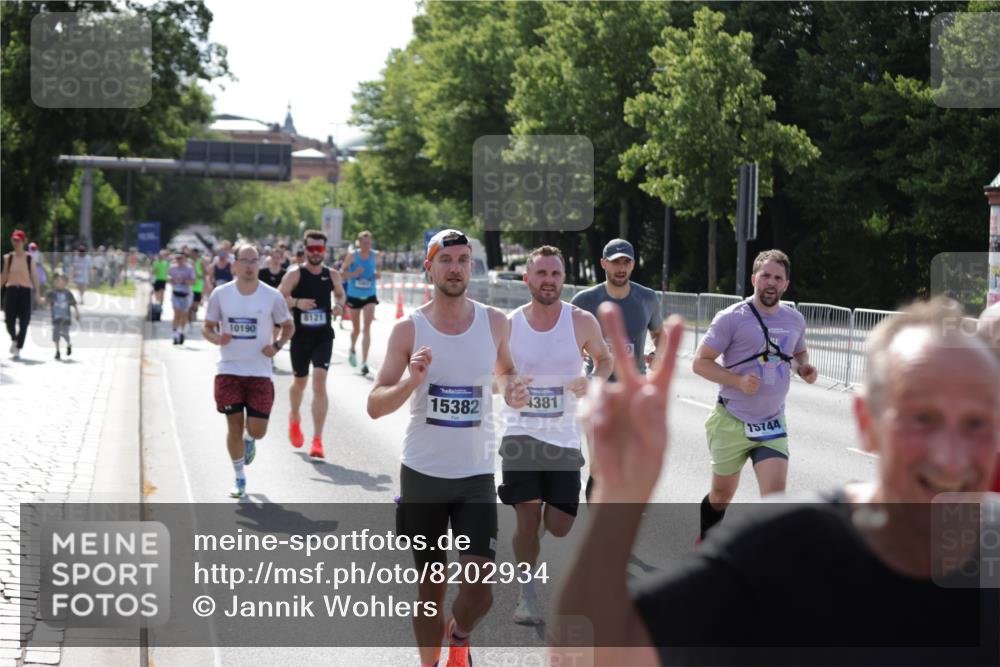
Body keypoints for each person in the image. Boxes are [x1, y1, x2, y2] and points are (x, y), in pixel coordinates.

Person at [552, 298, 1000, 666]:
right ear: (868, 423)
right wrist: (619, 497)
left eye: (978, 422)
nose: (950, 456)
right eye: (922, 418)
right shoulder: (786, 545)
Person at [367, 229, 529, 667]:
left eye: (463, 259)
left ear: (471, 266)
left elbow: (506, 371)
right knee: (430, 589)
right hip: (423, 474)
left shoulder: (495, 321)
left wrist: (512, 389)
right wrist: (411, 382)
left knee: (480, 587)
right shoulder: (408, 328)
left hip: (476, 473)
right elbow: (374, 406)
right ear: (430, 267)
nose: (455, 267)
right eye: (446, 260)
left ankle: (459, 636)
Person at [498, 245, 612, 626]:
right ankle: (526, 593)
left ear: (563, 279)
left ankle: (530, 544)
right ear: (527, 278)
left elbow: (605, 358)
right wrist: (508, 387)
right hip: (521, 432)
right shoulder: (509, 323)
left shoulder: (581, 321)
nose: (549, 281)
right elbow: (497, 373)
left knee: (560, 525)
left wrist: (591, 380)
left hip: (563, 436)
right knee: (527, 516)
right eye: (542, 273)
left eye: (556, 274)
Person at [692, 250, 816, 540]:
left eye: (778, 278)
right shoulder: (731, 318)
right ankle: (706, 542)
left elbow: (796, 353)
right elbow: (700, 363)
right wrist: (736, 380)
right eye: (765, 276)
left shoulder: (795, 319)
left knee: (774, 502)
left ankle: (763, 569)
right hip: (731, 420)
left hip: (772, 424)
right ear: (753, 279)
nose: (771, 283)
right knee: (721, 496)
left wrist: (804, 369)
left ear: (786, 284)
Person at [570, 238, 663, 500]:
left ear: (633, 265)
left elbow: (659, 333)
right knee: (600, 465)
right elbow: (567, 340)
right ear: (603, 264)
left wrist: (658, 354)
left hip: (632, 392)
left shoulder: (647, 298)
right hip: (597, 389)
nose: (620, 268)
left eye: (626, 262)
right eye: (614, 262)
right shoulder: (585, 300)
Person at [203, 244, 294, 498]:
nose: (250, 265)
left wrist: (276, 346)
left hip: (259, 373)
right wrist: (216, 338)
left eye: (254, 261)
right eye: (245, 260)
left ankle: (250, 439)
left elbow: (288, 325)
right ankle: (239, 477)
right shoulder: (221, 294)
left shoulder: (271, 296)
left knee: (257, 430)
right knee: (233, 426)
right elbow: (207, 326)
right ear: (235, 264)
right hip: (228, 370)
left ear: (259, 264)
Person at [278, 231, 345, 460]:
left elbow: (340, 296)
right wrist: (297, 302)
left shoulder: (332, 275)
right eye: (312, 249)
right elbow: (278, 298)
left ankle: (317, 439)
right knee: (299, 383)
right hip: (300, 336)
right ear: (305, 249)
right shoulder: (295, 274)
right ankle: (295, 416)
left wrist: (339, 306)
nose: (316, 253)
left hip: (323, 336)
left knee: (319, 383)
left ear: (325, 250)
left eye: (320, 249)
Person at [342, 230, 382, 376]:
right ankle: (352, 348)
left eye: (369, 242)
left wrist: (377, 275)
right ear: (359, 242)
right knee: (356, 329)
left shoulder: (376, 255)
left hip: (370, 294)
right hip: (354, 295)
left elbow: (378, 272)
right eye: (364, 242)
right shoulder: (353, 255)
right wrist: (354, 274)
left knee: (367, 327)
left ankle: (364, 362)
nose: (367, 245)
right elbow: (342, 273)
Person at [2, 230, 43, 360]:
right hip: (11, 290)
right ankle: (14, 339)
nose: (16, 243)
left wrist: (38, 293)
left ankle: (18, 347)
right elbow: (4, 276)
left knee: (24, 322)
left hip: (25, 292)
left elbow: (34, 276)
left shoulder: (29, 258)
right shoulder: (8, 257)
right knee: (9, 320)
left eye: (18, 240)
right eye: (14, 240)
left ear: (23, 241)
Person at [47, 272, 80, 360]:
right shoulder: (52, 293)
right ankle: (57, 351)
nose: (59, 283)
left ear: (65, 283)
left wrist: (77, 313)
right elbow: (46, 301)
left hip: (66, 317)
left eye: (61, 281)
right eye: (57, 281)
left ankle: (68, 344)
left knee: (65, 334)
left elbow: (74, 304)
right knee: (56, 334)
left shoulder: (68, 293)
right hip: (56, 317)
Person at [168, 252, 196, 345]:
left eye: (181, 258)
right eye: (177, 258)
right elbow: (168, 278)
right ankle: (174, 334)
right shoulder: (172, 268)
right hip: (176, 294)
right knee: (176, 313)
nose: (179, 260)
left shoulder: (189, 268)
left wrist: (184, 281)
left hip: (186, 294)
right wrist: (171, 280)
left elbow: (193, 281)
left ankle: (181, 332)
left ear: (184, 258)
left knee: (184, 315)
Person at [188, 247, 211, 324]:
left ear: (196, 254)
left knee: (196, 302)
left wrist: (198, 275)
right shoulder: (189, 262)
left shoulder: (200, 262)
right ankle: (190, 318)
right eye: (191, 253)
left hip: (198, 285)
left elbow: (206, 273)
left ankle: (194, 313)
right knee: (190, 302)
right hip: (190, 285)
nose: (191, 255)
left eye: (193, 253)